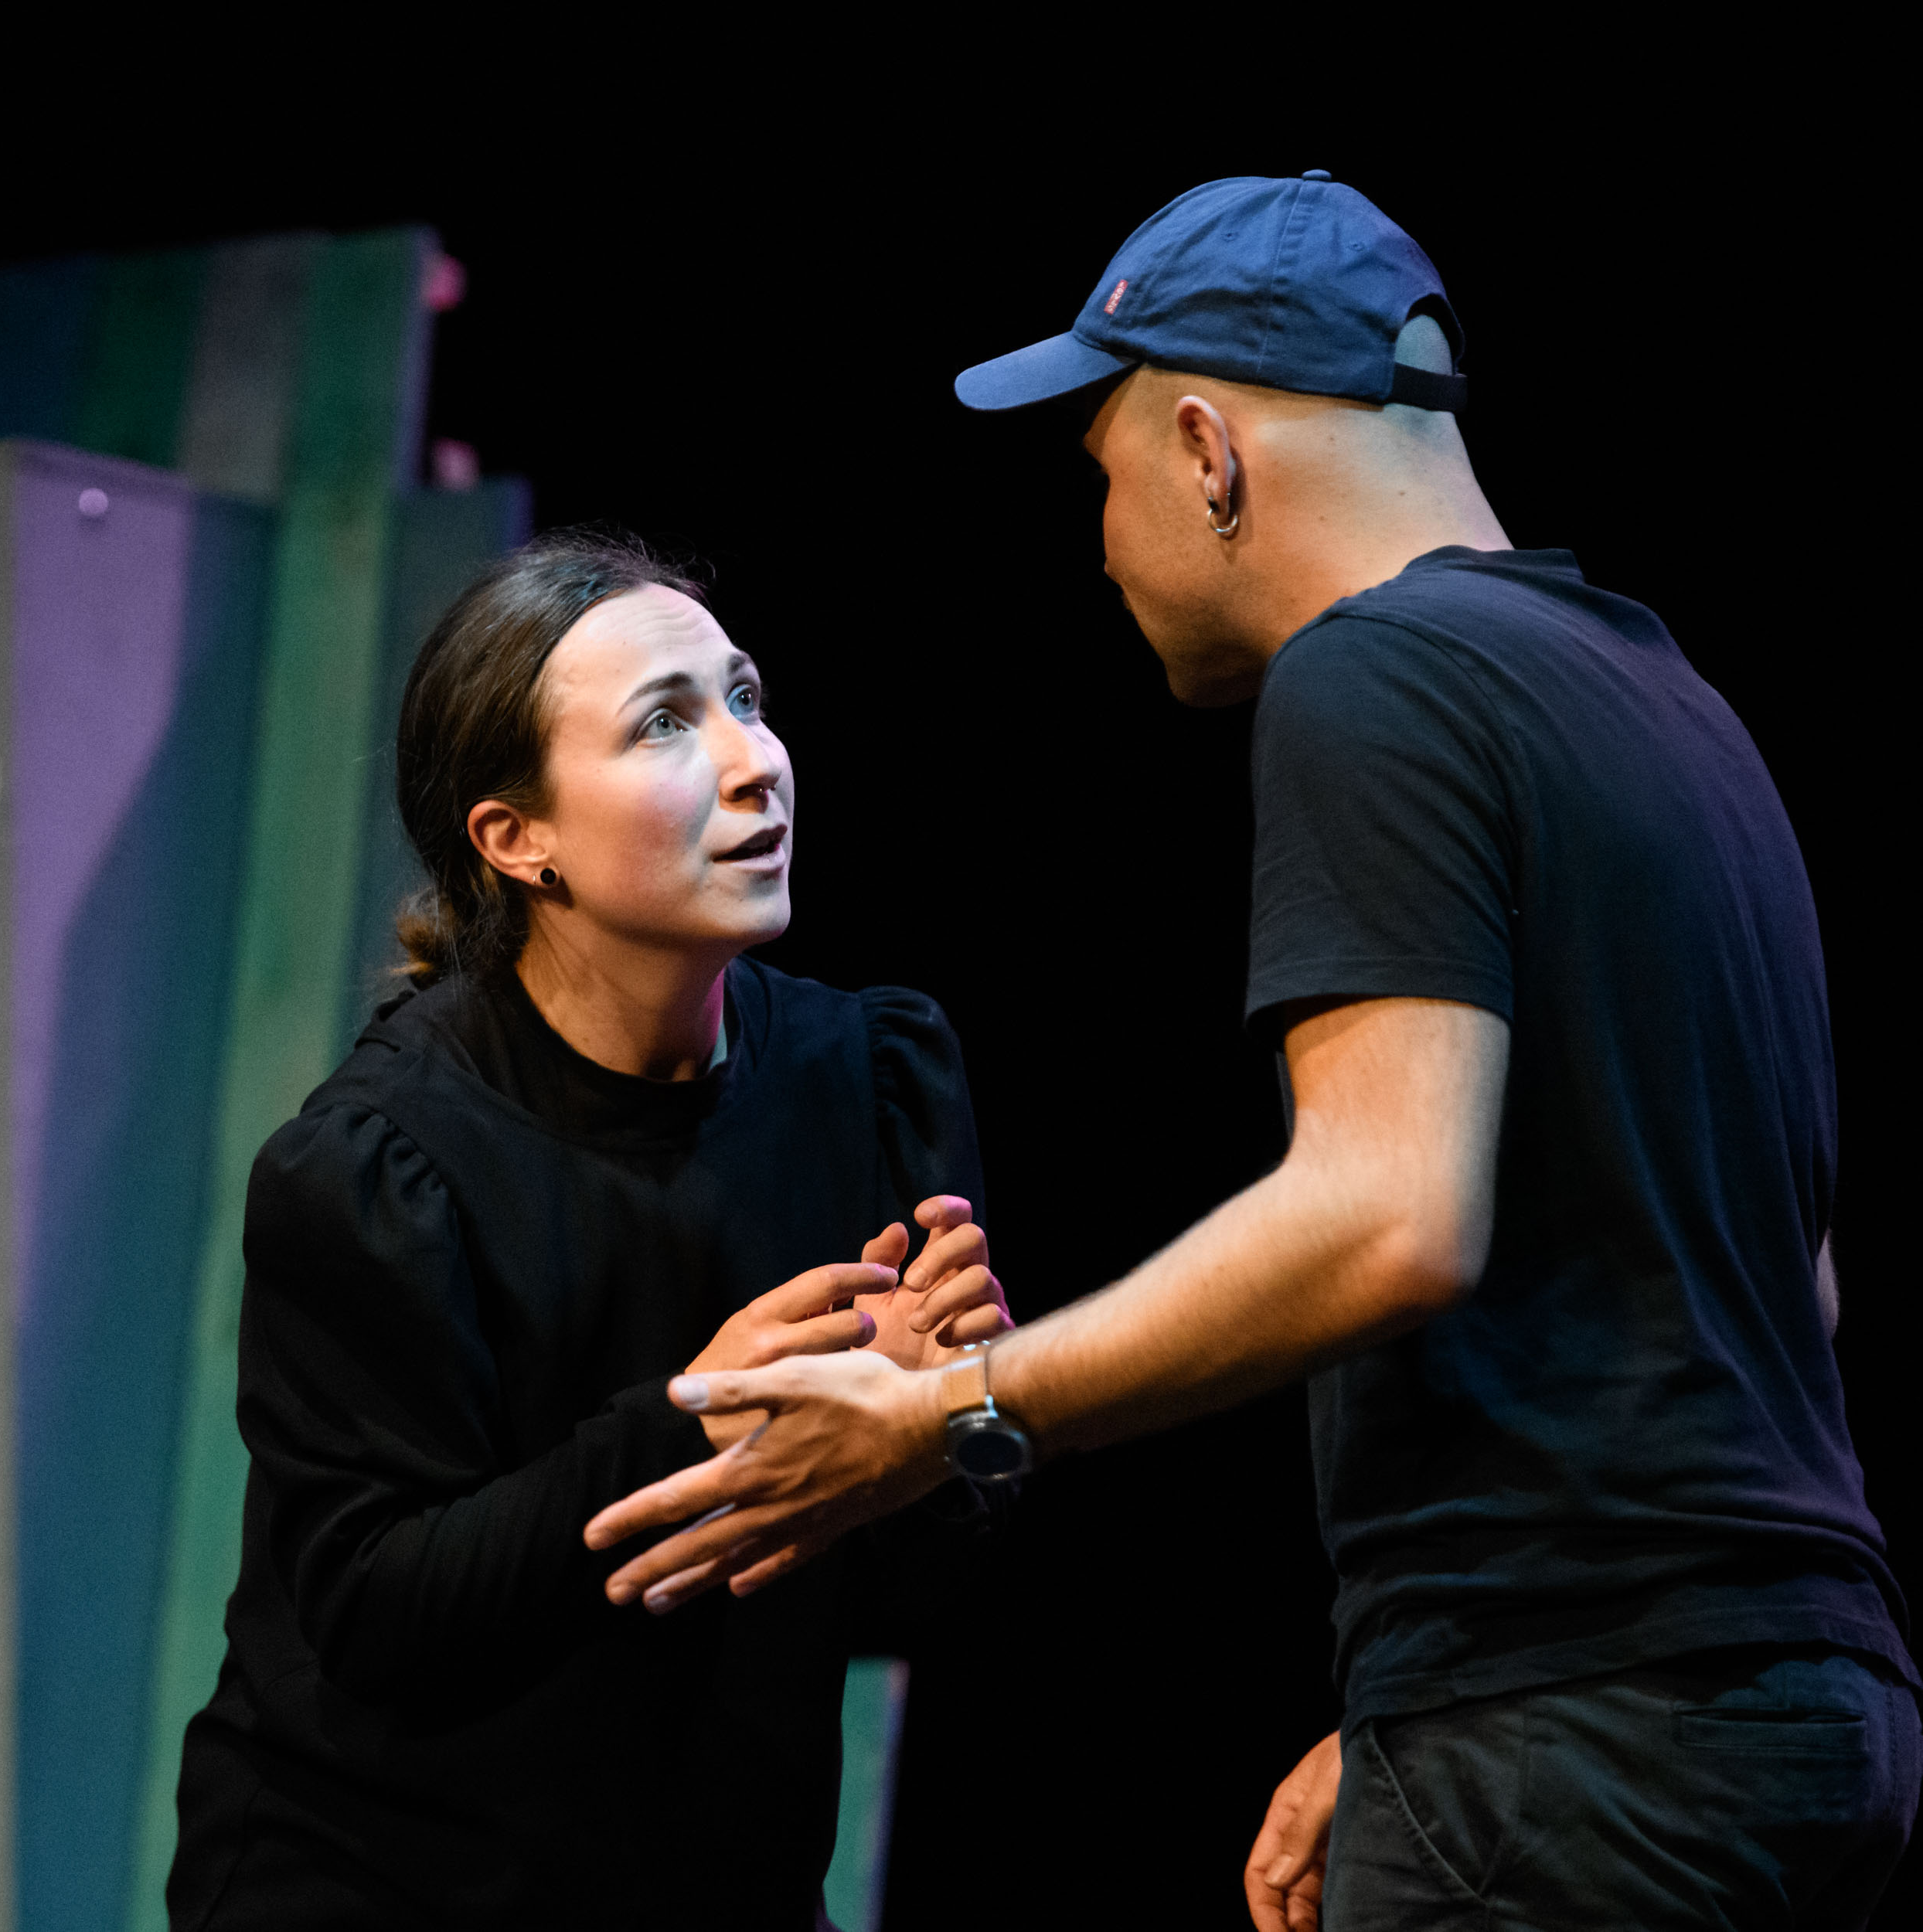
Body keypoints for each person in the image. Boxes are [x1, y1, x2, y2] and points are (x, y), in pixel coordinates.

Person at [584, 177, 1921, 1928]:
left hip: (1583, 1732)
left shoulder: (1377, 676)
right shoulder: (1672, 704)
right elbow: (1778, 1282)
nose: (1102, 542)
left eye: (1102, 473)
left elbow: (1389, 1215)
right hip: (1795, 1701)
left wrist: (947, 1413)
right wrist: (1437, 1693)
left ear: (1207, 452)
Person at [165, 532, 1010, 1931]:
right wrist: (697, 1425)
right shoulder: (380, 1166)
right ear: (519, 840)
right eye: (665, 724)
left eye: (745, 697)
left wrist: (945, 1431)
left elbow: (905, 1601)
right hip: (384, 1885)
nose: (755, 761)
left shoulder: (872, 1077)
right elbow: (379, 1619)